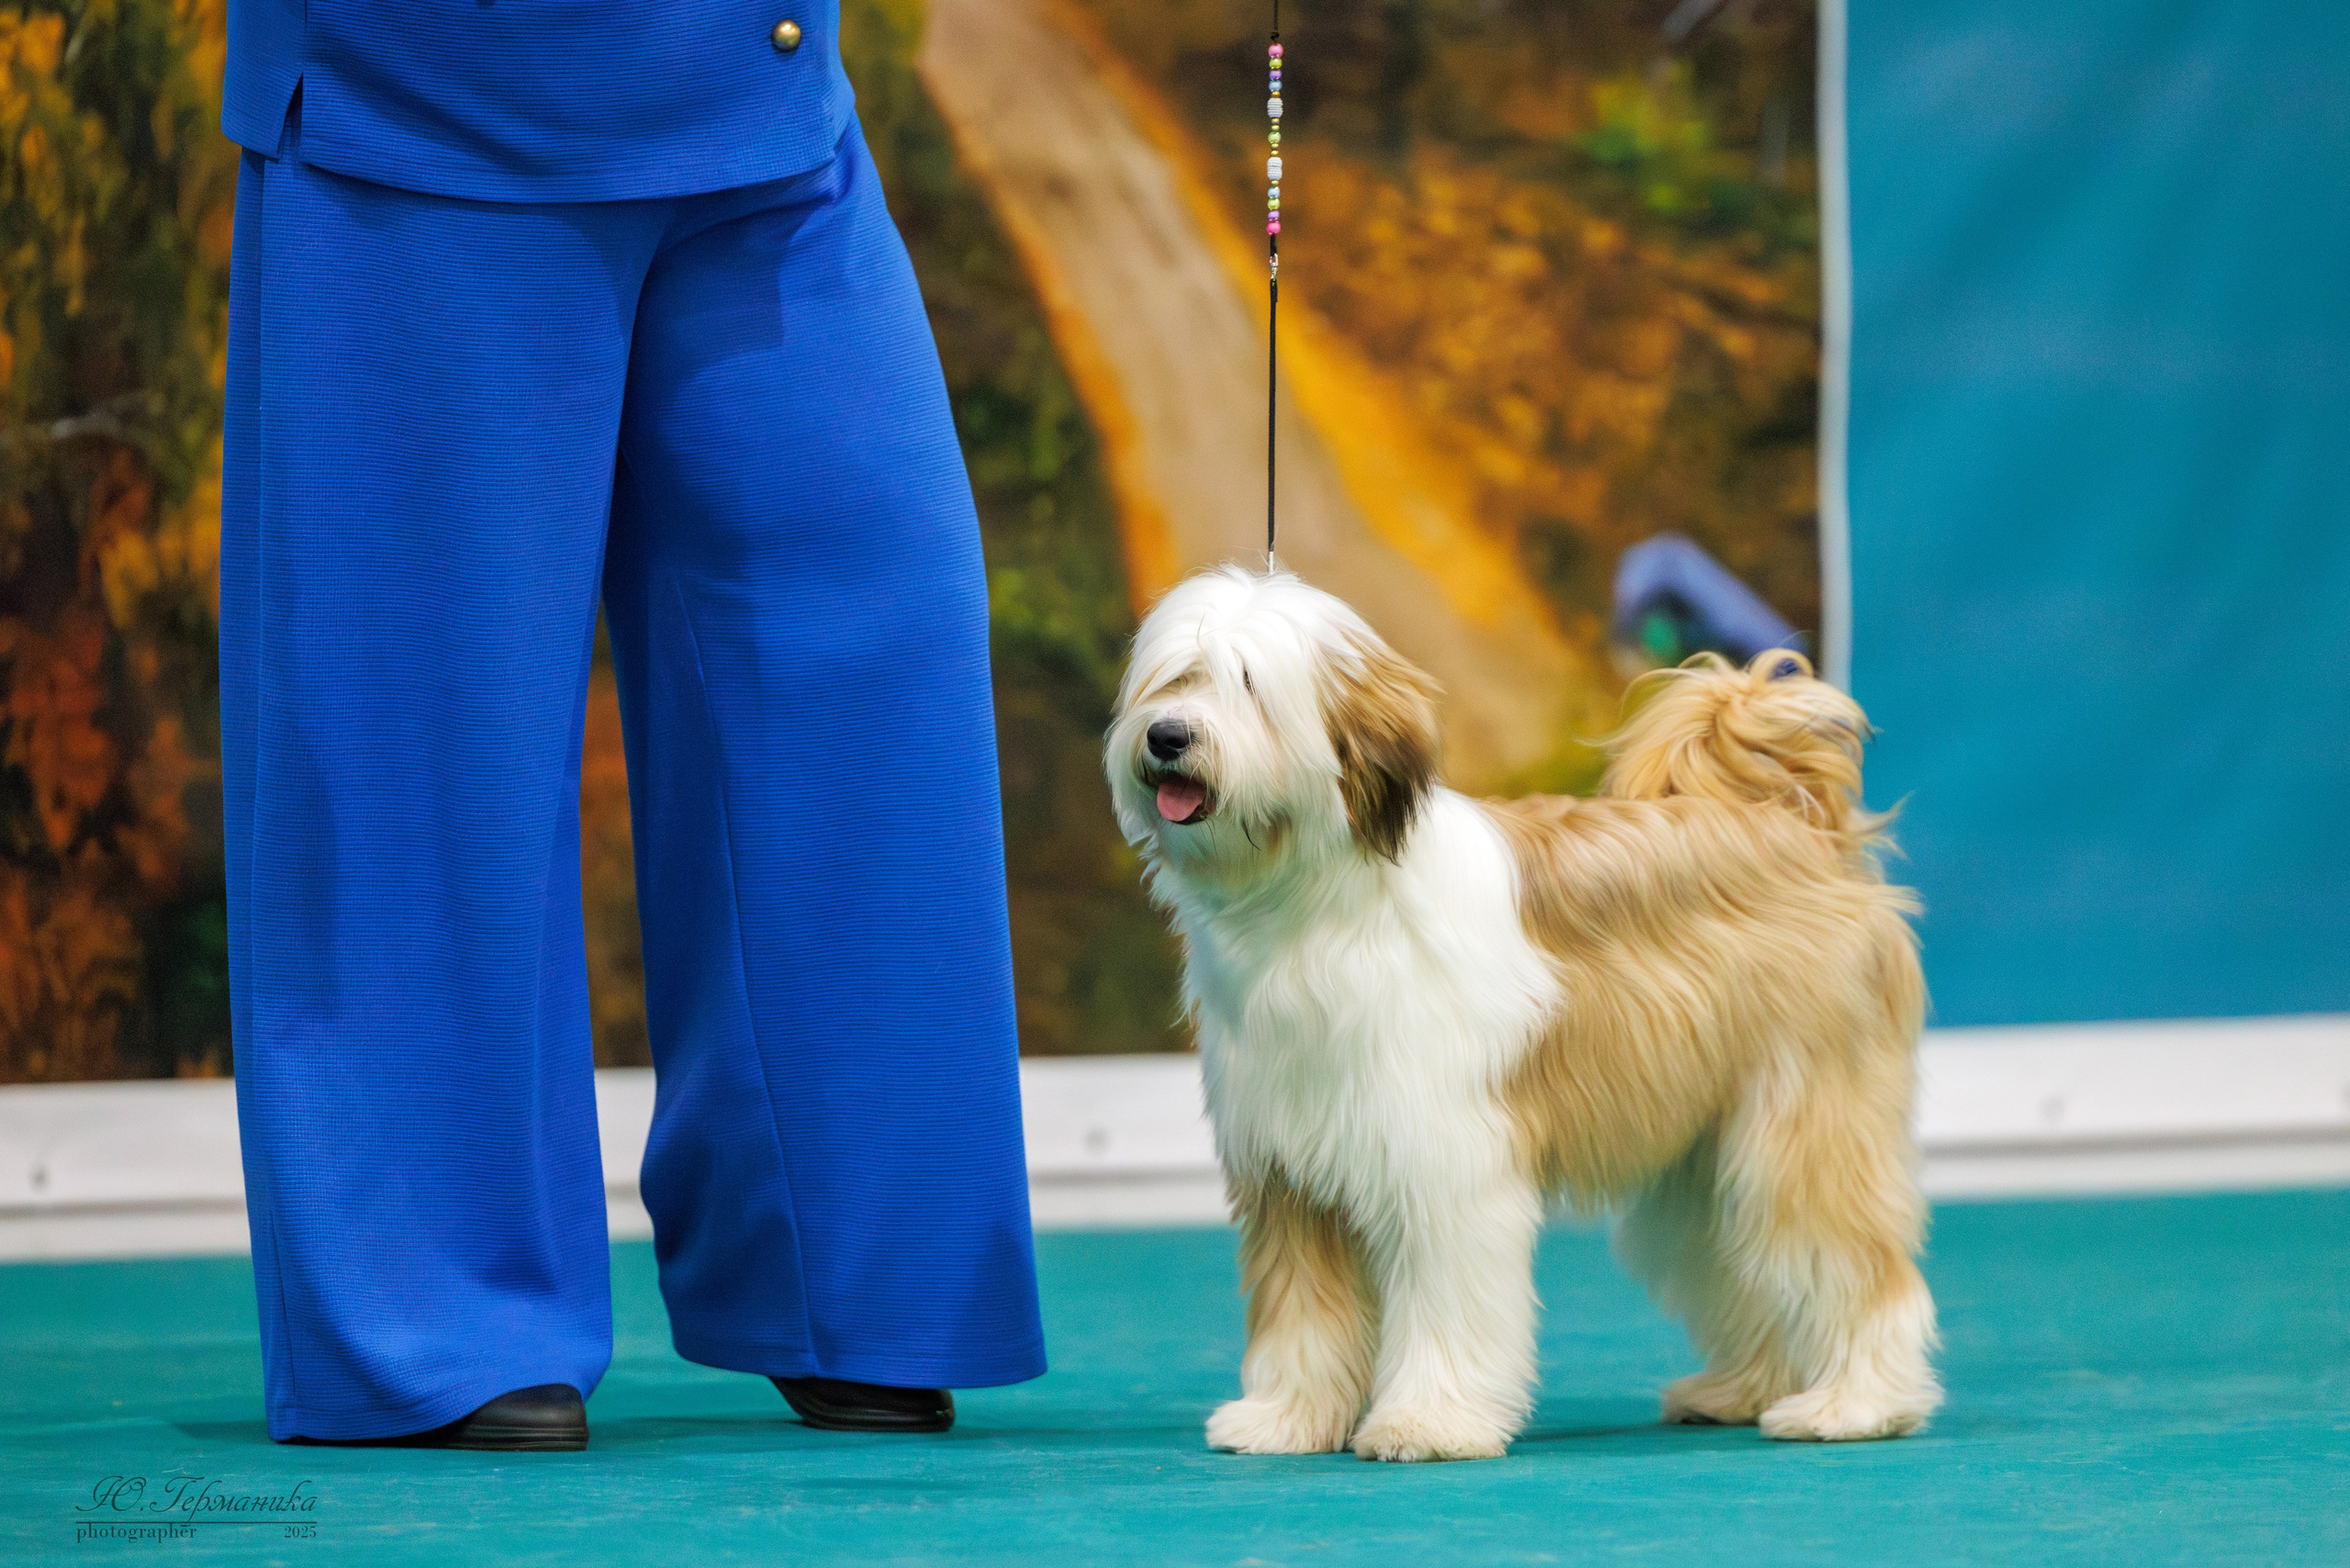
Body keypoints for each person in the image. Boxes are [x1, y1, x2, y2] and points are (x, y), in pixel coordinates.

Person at [218, 0, 1046, 1449]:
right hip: (429, 108)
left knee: (869, 631)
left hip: (759, 99)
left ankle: (847, 1276)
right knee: (430, 733)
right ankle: (444, 1314)